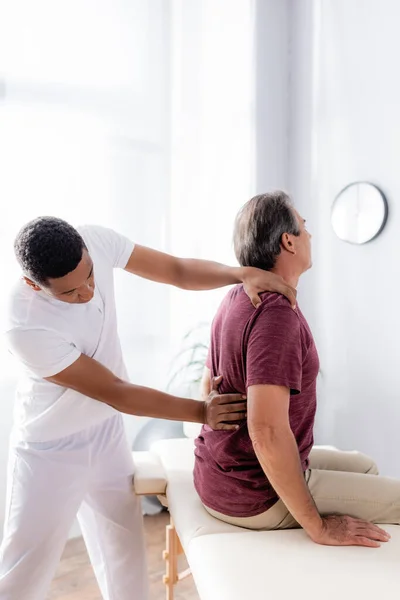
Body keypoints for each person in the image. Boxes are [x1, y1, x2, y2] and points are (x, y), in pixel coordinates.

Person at [0, 216, 297, 600]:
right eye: (71, 293)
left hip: (105, 433)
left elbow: (175, 270)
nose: (88, 292)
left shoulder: (96, 240)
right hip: (50, 449)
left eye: (90, 277)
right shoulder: (24, 325)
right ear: (33, 285)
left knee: (124, 557)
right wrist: (201, 412)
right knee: (24, 571)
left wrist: (240, 274)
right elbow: (117, 391)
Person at [194, 190, 400, 548]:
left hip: (219, 474)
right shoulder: (274, 314)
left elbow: (207, 383)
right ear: (288, 241)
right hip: (255, 495)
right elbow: (267, 432)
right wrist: (319, 528)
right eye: (304, 228)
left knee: (364, 465)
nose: (310, 236)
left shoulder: (237, 296)